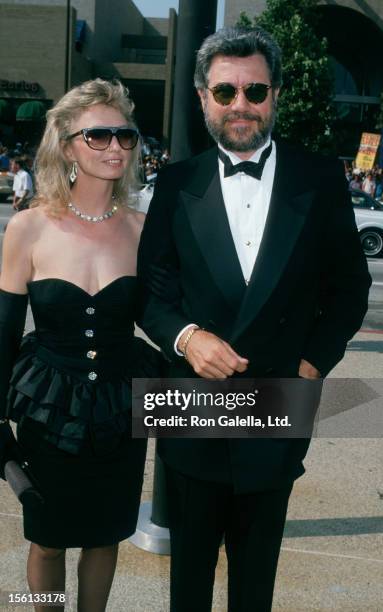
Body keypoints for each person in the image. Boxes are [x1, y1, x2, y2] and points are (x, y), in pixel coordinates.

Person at [137, 26, 371, 612]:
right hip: (192, 402)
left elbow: (349, 289)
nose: (240, 105)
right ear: (202, 97)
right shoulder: (175, 183)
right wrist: (187, 340)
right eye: (225, 92)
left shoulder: (319, 180)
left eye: (255, 91)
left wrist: (313, 364)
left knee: (256, 580)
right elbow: (150, 294)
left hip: (279, 396)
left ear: (276, 96)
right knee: (187, 579)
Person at [0, 78, 161, 612]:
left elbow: (168, 318)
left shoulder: (145, 229)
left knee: (105, 534)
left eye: (125, 136)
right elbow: (3, 334)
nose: (115, 147)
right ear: (67, 144)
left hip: (120, 408)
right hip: (49, 410)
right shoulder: (26, 228)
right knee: (46, 538)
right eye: (98, 136)